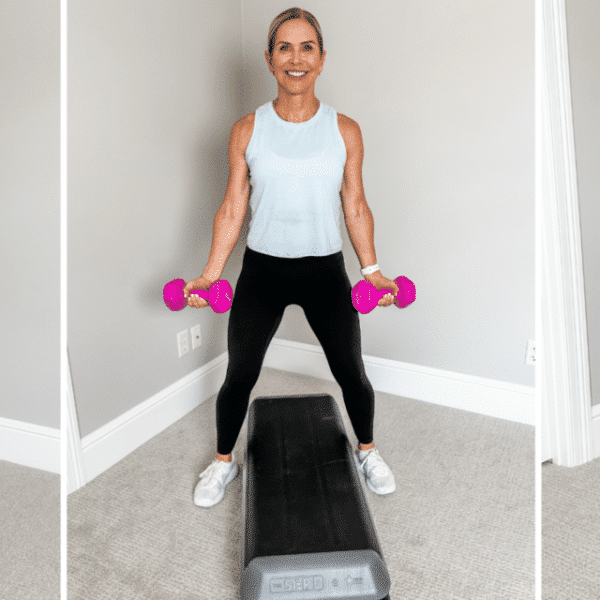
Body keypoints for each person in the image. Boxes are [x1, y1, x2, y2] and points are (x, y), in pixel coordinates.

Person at [185, 7, 399, 508]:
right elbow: (233, 206)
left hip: (325, 271)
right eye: (285, 47)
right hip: (263, 272)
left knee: (351, 369)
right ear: (269, 59)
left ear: (322, 59)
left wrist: (372, 272)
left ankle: (367, 451)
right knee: (240, 372)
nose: (296, 58)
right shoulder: (246, 129)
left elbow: (356, 204)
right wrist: (210, 276)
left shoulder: (344, 129)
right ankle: (222, 463)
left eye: (307, 48)